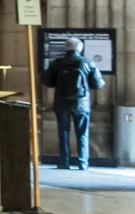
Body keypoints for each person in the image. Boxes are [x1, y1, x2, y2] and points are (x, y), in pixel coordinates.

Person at [44, 37, 104, 170]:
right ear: (80, 49)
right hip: (81, 103)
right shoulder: (87, 63)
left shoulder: (56, 63)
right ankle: (82, 162)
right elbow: (98, 84)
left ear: (66, 48)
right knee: (82, 133)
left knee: (63, 132)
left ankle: (64, 162)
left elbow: (47, 81)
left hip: (61, 102)